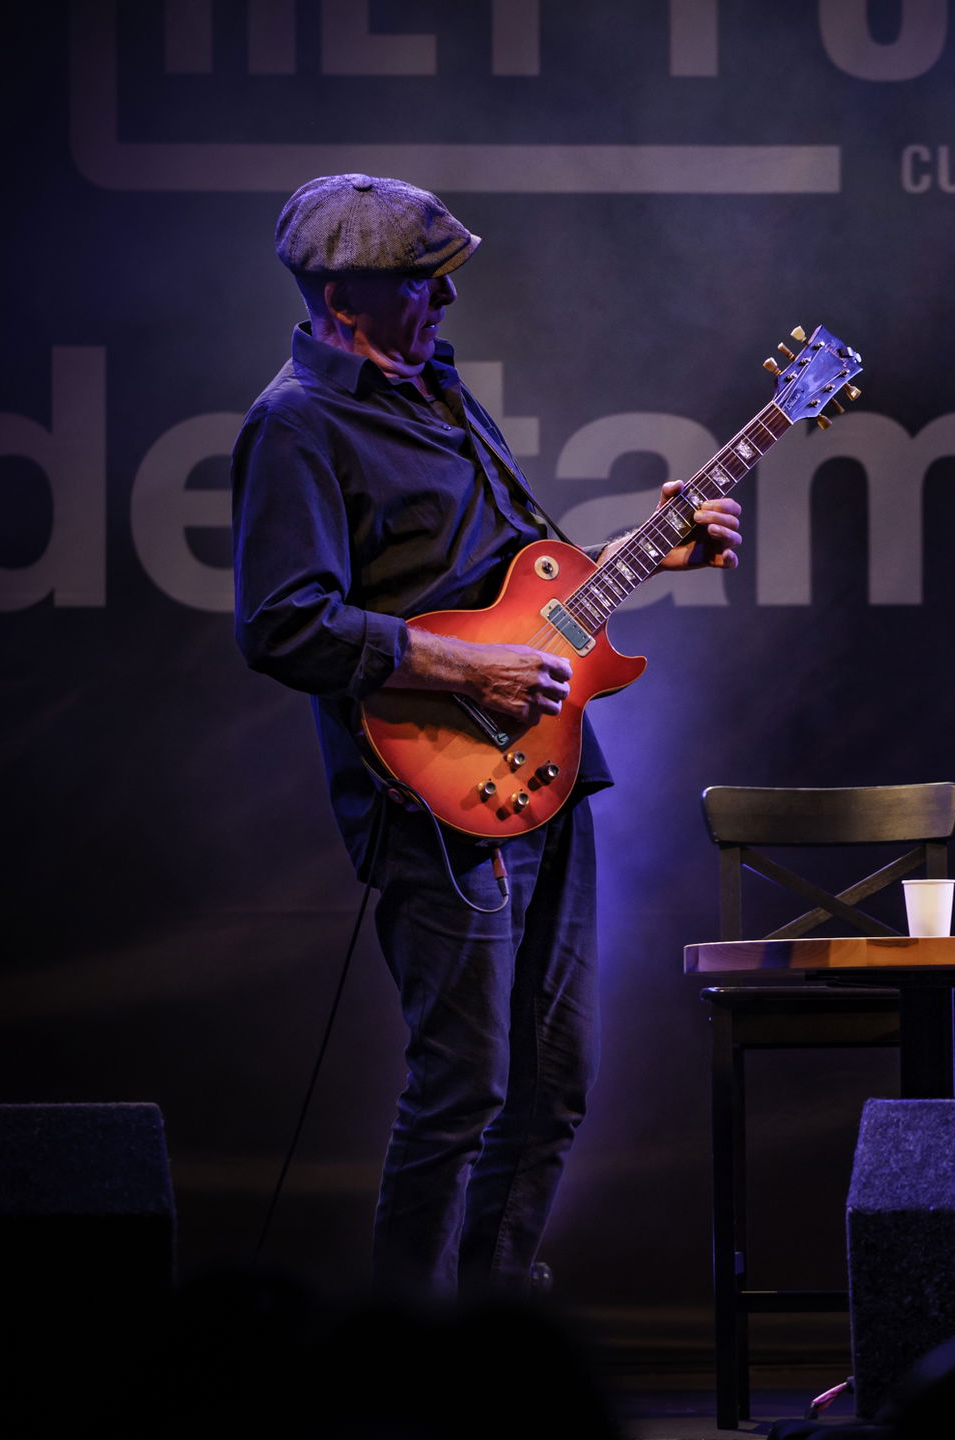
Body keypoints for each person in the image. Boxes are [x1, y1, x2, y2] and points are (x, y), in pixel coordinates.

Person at [231, 174, 742, 1297]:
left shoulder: (442, 394)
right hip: (432, 799)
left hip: (546, 776)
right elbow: (280, 623)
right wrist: (467, 667)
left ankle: (496, 1337)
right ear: (341, 297)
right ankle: (405, 1369)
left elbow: (529, 596)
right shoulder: (298, 424)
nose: (446, 305)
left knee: (554, 1084)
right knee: (461, 1090)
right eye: (423, 285)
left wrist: (663, 550)